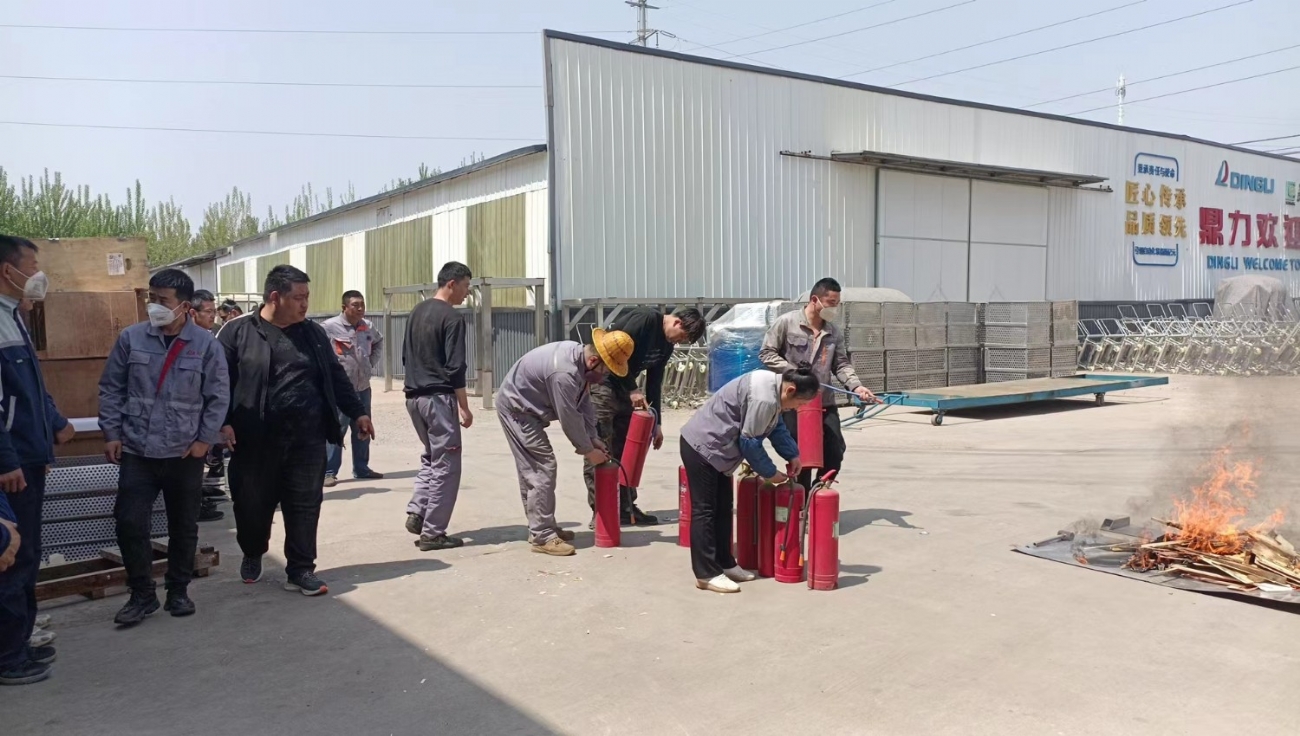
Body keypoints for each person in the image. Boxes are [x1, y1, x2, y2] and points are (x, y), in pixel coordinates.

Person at [218, 265, 374, 596]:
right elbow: (218, 383)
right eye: (298, 297)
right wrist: (222, 421)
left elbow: (335, 376)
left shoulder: (313, 334)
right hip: (255, 441)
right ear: (275, 297)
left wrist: (358, 412)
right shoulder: (238, 332)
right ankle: (253, 551)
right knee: (251, 506)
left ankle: (301, 569)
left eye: (307, 297)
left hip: (307, 438)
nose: (305, 304)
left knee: (304, 505)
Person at [99, 269, 230, 626]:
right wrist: (111, 433)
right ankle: (142, 594)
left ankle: (178, 590)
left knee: (183, 526)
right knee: (129, 522)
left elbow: (218, 397)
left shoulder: (206, 345)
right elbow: (111, 388)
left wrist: (204, 440)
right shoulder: (131, 338)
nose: (154, 305)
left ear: (184, 306)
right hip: (138, 451)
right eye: (151, 298)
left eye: (162, 300)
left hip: (183, 453)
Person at [0, 235, 74, 686]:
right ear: (7, 270)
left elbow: (30, 389)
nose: (37, 274)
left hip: (28, 455)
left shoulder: (13, 316)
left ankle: (18, 641)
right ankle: (8, 657)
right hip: (12, 465)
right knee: (10, 555)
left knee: (26, 554)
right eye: (31, 265)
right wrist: (7, 460)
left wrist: (55, 424)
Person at [678, 366, 817, 593]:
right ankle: (706, 574)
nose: (797, 408)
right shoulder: (764, 398)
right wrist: (770, 473)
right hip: (702, 448)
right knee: (705, 511)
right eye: (799, 403)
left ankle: (725, 563)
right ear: (790, 390)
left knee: (723, 508)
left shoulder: (774, 388)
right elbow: (750, 443)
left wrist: (792, 454)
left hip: (718, 452)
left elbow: (775, 426)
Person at [496, 330, 631, 557]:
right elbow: (569, 417)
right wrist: (588, 450)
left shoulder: (579, 360)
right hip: (517, 410)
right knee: (542, 467)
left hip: (528, 408)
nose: (605, 376)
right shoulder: (564, 373)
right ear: (594, 360)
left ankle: (541, 526)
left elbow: (584, 404)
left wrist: (593, 437)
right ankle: (543, 536)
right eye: (605, 370)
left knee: (535, 469)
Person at [582, 307, 706, 528]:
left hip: (627, 392)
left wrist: (656, 423)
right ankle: (601, 511)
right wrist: (633, 389)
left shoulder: (666, 345)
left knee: (628, 451)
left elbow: (654, 382)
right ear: (677, 323)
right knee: (600, 448)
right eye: (682, 337)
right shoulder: (646, 320)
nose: (678, 342)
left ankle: (626, 508)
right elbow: (612, 353)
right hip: (604, 384)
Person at [760, 278, 877, 490]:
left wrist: (856, 387)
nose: (834, 308)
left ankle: (819, 492)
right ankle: (801, 498)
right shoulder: (786, 323)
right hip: (794, 401)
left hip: (824, 401)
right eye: (831, 303)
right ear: (815, 300)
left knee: (835, 450)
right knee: (801, 453)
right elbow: (766, 353)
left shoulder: (833, 332)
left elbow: (841, 364)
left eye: (837, 303)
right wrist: (792, 371)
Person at [402, 262, 474, 551]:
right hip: (438, 400)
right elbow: (455, 367)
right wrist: (464, 406)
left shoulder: (416, 311)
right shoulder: (452, 318)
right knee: (447, 464)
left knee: (432, 456)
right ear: (452, 284)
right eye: (466, 286)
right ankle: (433, 533)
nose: (467, 293)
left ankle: (419, 511)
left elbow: (406, 357)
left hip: (413, 398)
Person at [323, 290, 384, 486]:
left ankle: (362, 468)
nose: (360, 309)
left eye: (362, 305)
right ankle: (328, 472)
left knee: (363, 428)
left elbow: (379, 342)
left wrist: (370, 363)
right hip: (340, 390)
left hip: (363, 387)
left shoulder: (368, 326)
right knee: (337, 429)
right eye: (355, 305)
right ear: (344, 307)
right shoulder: (329, 327)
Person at [189, 289, 226, 522]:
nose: (213, 316)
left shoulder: (210, 338)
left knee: (203, 459)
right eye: (208, 311)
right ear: (193, 313)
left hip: (207, 413)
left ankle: (200, 496)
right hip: (190, 415)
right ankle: (196, 505)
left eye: (214, 311)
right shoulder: (188, 341)